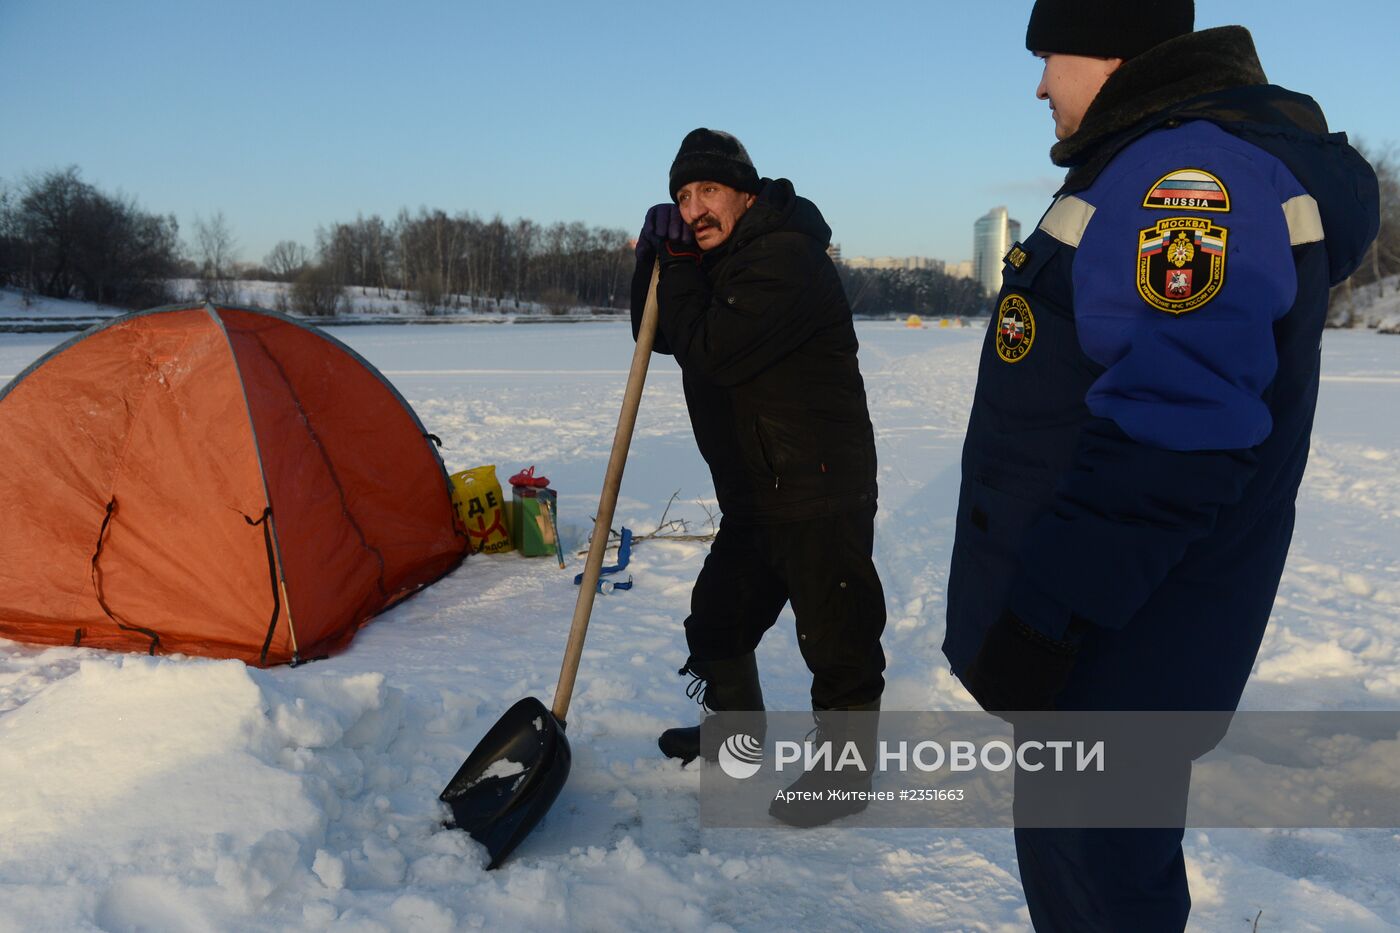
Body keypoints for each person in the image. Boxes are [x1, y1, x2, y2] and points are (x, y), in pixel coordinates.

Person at [943, 2, 1379, 929]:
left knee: (1100, 886)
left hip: (1114, 642)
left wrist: (1048, 619)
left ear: (1109, 48)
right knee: (1093, 876)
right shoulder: (1153, 157)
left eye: (1049, 55)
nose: (1040, 83)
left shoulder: (1188, 174)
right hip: (1120, 628)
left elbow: (1176, 428)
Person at [630, 128, 886, 825]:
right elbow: (656, 332)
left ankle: (845, 776)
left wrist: (680, 256)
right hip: (755, 492)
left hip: (816, 484)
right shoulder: (717, 261)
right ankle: (737, 745)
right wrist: (657, 257)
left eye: (707, 191)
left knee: (837, 638)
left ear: (746, 193)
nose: (694, 208)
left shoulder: (785, 258)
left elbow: (711, 351)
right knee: (717, 621)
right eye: (682, 197)